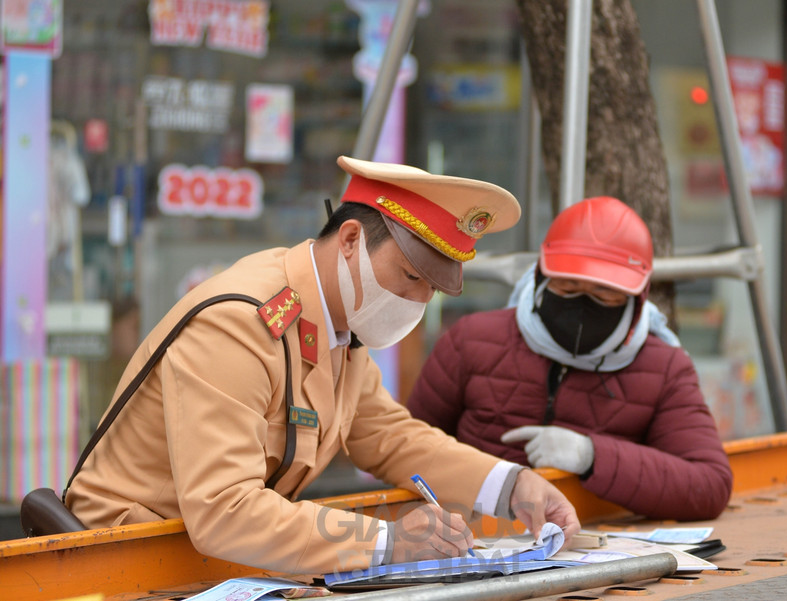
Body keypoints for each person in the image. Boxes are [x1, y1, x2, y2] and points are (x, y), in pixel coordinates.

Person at [66, 156, 579, 576]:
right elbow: (224, 509)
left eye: (431, 289)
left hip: (207, 563)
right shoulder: (239, 323)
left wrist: (512, 487)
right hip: (121, 563)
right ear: (351, 239)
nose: (415, 300)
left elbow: (389, 435)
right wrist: (388, 541)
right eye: (408, 275)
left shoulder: (342, 323)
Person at [407, 196, 733, 522]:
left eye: (604, 295)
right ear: (541, 277)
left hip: (597, 544)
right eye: (567, 287)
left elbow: (709, 485)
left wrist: (592, 456)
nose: (582, 307)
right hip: (473, 538)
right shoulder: (472, 340)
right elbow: (409, 449)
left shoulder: (663, 369)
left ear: (635, 300)